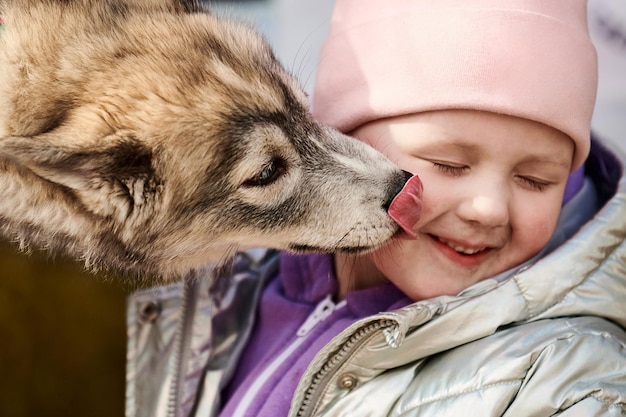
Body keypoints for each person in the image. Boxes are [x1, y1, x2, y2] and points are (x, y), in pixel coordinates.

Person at [125, 1, 626, 416]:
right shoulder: (240, 287)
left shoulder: (567, 380)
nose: (489, 209)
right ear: (340, 140)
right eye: (449, 164)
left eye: (536, 180)